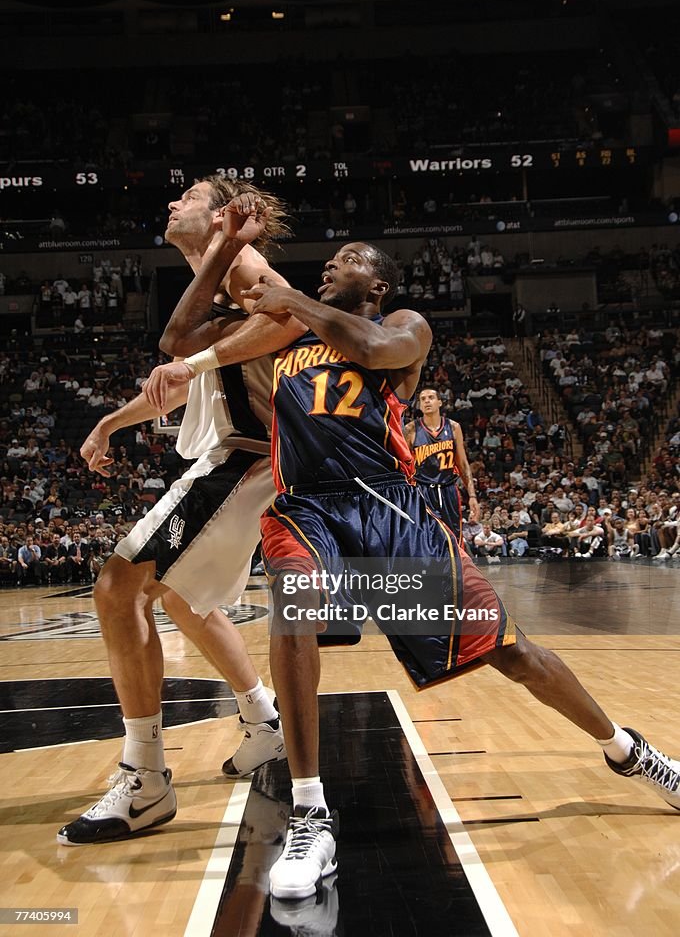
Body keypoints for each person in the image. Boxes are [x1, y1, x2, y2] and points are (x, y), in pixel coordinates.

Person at [225, 242, 680, 902]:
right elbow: (183, 342)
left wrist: (288, 299)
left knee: (513, 654)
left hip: (388, 517)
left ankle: (627, 749)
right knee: (294, 606)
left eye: (349, 257)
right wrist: (216, 253)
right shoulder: (286, 349)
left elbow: (377, 353)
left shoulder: (404, 325)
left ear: (378, 282)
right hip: (308, 509)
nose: (329, 262)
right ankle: (309, 813)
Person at [57, 178, 306, 846]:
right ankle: (262, 721)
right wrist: (109, 422)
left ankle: (147, 781)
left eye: (190, 194)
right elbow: (176, 383)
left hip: (248, 461)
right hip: (239, 458)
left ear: (225, 212)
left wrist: (194, 361)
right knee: (182, 600)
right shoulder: (210, 273)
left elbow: (291, 317)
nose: (173, 202)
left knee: (118, 589)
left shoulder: (242, 265)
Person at [403, 388, 480, 542]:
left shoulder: (453, 427)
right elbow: (403, 467)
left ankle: (455, 566)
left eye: (431, 397)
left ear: (440, 402)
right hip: (423, 490)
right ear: (419, 405)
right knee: (426, 538)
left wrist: (472, 496)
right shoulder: (410, 429)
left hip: (448, 488)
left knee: (453, 537)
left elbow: (463, 464)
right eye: (423, 399)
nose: (426, 401)